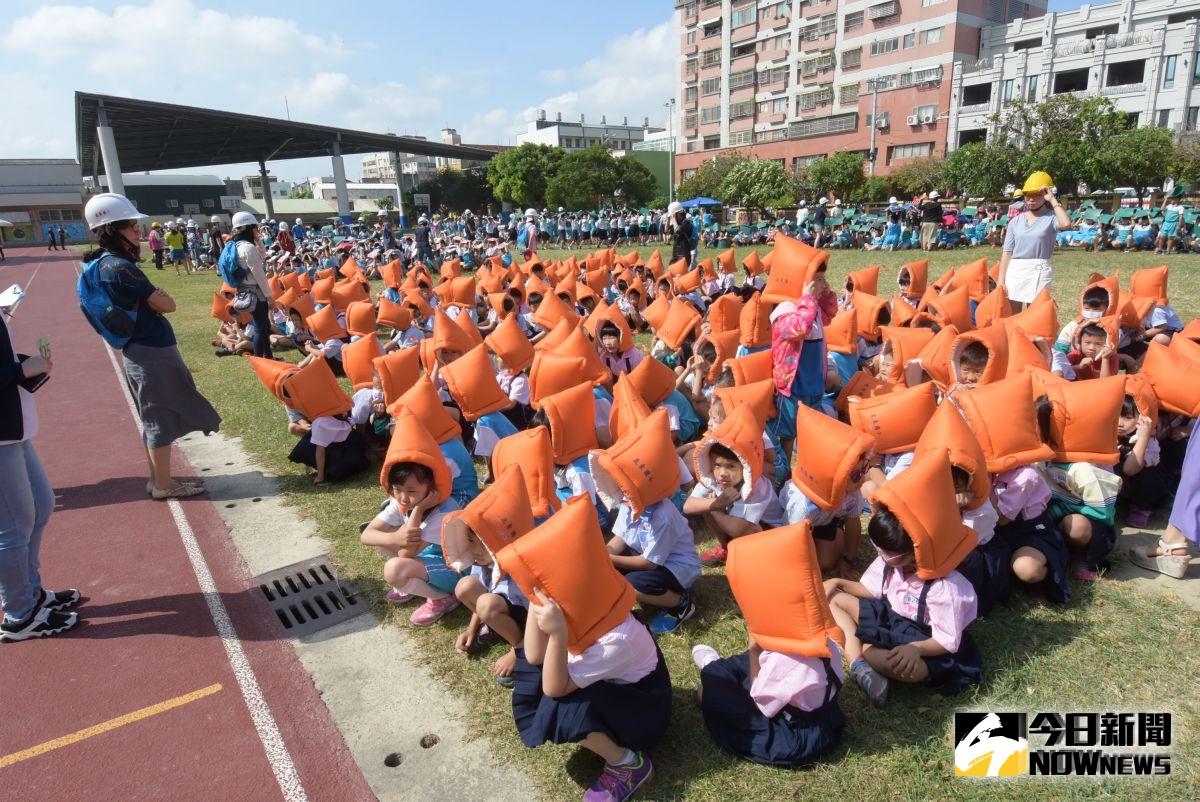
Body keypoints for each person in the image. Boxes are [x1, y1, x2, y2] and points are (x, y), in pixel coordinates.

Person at [80, 193, 220, 499]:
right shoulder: (120, 267)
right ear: (111, 230)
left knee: (154, 415)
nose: (137, 231)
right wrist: (159, 297)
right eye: (130, 226)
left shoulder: (103, 265)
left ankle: (157, 479)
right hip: (150, 351)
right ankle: (163, 485)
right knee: (159, 415)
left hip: (140, 349)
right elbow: (167, 304)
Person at [0, 305, 80, 641]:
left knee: (41, 504)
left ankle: (31, 593)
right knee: (14, 526)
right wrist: (19, 371)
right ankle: (19, 614)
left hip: (13, 425)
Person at [997, 171, 1071, 311]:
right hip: (1016, 269)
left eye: (1036, 195)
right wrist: (1001, 280)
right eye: (1028, 196)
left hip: (1039, 269)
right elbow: (1007, 253)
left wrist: (1053, 200)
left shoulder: (1051, 217)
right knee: (1014, 315)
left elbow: (1066, 224)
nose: (1031, 200)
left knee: (1036, 314)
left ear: (1045, 196)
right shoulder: (1015, 221)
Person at [222, 211, 274, 359]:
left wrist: (259, 241)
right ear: (249, 228)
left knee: (263, 326)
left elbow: (264, 256)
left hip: (244, 291)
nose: (258, 231)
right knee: (261, 329)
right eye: (255, 228)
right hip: (256, 293)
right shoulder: (248, 248)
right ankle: (258, 360)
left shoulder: (237, 246)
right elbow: (259, 275)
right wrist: (269, 296)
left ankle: (268, 357)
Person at [668, 201, 693, 267]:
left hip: (683, 254)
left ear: (678, 214)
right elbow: (671, 234)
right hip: (676, 253)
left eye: (673, 215)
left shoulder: (686, 222)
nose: (672, 217)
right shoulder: (678, 223)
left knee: (680, 275)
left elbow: (677, 231)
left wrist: (673, 219)